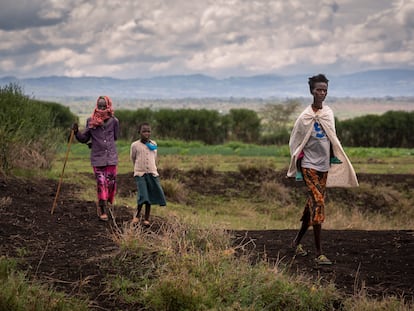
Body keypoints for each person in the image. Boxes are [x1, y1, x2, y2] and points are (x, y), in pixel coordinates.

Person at [287, 74, 358, 265]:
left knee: (312, 205)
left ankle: (295, 243)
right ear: (312, 91)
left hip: (323, 166)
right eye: (319, 89)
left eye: (325, 90)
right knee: (318, 202)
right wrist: (299, 166)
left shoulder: (328, 113)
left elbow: (332, 137)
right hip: (309, 166)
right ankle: (319, 254)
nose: (322, 93)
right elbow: (296, 142)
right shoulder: (305, 117)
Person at [72, 95, 119, 221]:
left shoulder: (114, 121)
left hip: (111, 158)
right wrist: (76, 132)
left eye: (104, 106)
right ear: (96, 106)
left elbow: (114, 138)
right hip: (97, 158)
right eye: (100, 106)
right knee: (101, 183)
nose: (102, 108)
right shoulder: (91, 121)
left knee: (110, 184)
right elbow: (84, 138)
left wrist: (100, 143)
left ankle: (105, 203)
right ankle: (102, 210)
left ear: (108, 106)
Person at [130, 122, 166, 226]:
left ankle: (146, 218)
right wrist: (138, 169)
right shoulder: (135, 145)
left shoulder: (153, 144)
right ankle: (136, 216)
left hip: (152, 173)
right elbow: (133, 158)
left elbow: (154, 158)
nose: (146, 133)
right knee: (143, 195)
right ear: (139, 132)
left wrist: (152, 169)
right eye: (144, 131)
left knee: (149, 196)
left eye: (148, 131)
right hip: (140, 174)